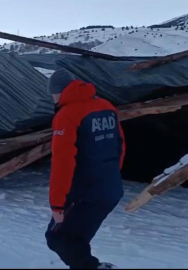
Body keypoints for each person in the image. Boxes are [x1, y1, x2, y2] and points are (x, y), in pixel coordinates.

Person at [44, 69, 126, 269]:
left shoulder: (67, 115)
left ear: (59, 91)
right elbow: (120, 146)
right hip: (111, 189)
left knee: (59, 238)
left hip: (85, 192)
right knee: (75, 238)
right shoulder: (106, 106)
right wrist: (110, 177)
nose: (53, 98)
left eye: (53, 93)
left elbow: (62, 163)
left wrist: (57, 205)